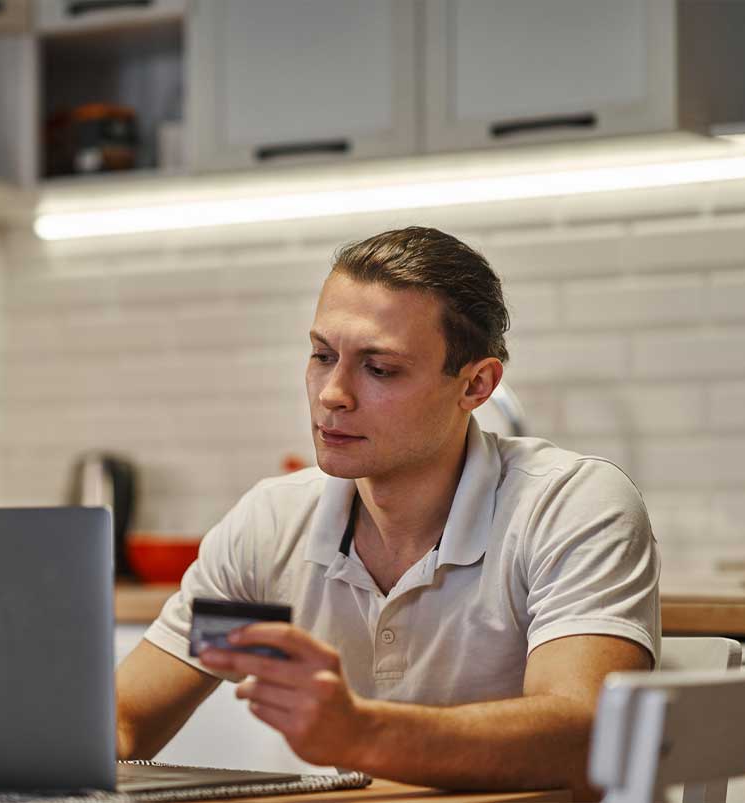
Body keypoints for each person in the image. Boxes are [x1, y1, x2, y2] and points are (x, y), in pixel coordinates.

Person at [114, 227, 659, 800]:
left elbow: (585, 736)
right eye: (323, 356)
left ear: (476, 384)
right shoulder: (270, 527)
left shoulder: (571, 506)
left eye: (380, 369)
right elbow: (129, 719)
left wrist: (360, 731)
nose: (332, 394)